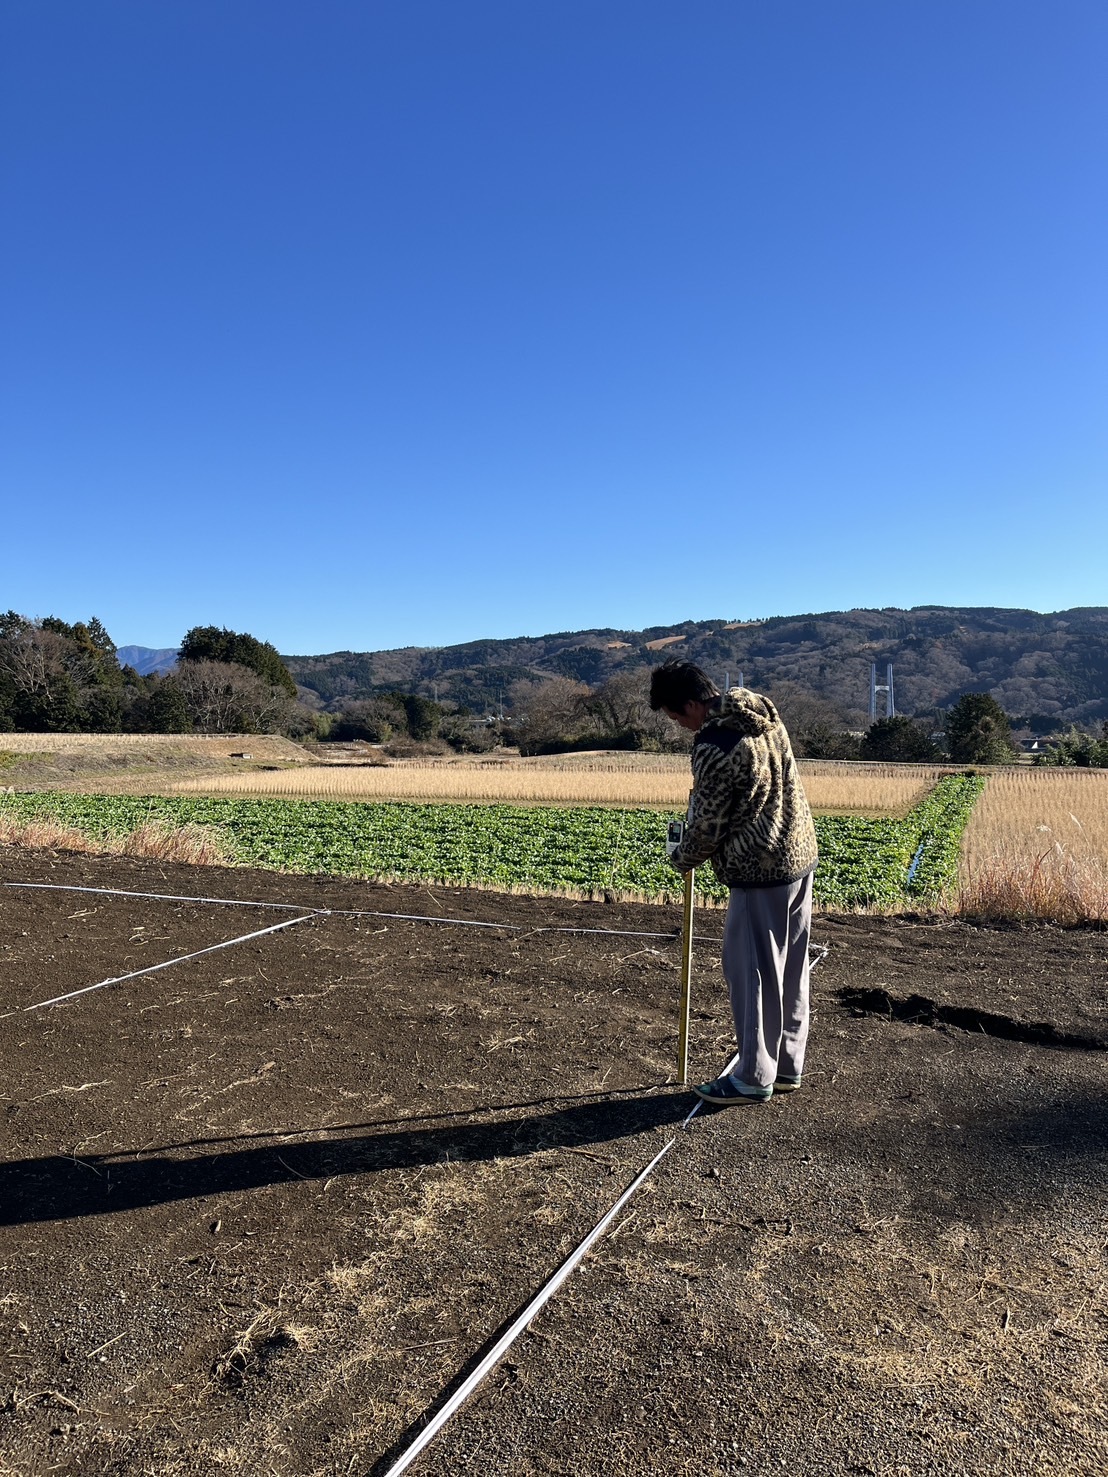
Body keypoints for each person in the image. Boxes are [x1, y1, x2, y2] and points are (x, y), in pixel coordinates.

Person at [649, 660, 818, 1106]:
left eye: (676, 716)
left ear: (690, 704)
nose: (681, 726)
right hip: (798, 859)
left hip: (756, 871)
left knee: (752, 973)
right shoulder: (765, 717)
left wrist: (681, 858)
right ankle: (785, 1066)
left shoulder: (715, 744)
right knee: (791, 967)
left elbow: (707, 825)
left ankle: (752, 1076)